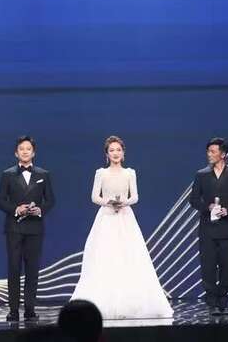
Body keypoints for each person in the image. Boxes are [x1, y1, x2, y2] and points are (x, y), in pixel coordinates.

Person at [70, 136, 173, 319]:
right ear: (107, 154)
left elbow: (135, 197)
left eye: (118, 150)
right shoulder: (101, 173)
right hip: (106, 218)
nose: (115, 153)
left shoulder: (129, 173)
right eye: (112, 150)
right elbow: (94, 197)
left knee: (130, 256)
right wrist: (108, 202)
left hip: (125, 217)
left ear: (123, 153)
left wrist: (124, 202)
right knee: (105, 257)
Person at [0, 135, 56, 322]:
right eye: (21, 149)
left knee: (32, 269)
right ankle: (13, 310)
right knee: (14, 268)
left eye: (28, 149)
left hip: (35, 228)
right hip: (14, 228)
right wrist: (16, 209)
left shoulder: (43, 174)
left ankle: (30, 309)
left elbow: (50, 200)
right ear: (16, 153)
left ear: (33, 152)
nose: (25, 152)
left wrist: (40, 210)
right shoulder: (7, 174)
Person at [188, 137, 228, 315]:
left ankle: (223, 300)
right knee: (208, 266)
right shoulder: (201, 175)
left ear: (223, 154)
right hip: (207, 229)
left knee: (226, 265)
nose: (209, 154)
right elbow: (193, 199)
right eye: (208, 151)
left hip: (227, 228)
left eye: (213, 151)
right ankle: (211, 301)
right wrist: (207, 207)